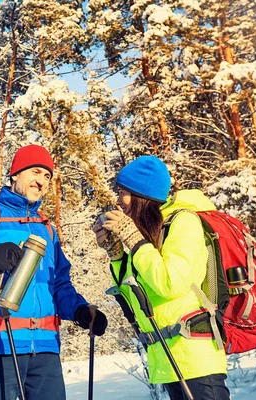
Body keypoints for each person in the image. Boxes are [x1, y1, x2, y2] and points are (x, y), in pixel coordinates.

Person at [0, 144, 108, 400]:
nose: (41, 181)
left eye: (47, 176)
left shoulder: (47, 229)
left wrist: (79, 310)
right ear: (15, 174)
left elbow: (59, 284)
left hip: (44, 348)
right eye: (35, 172)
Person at [92, 155, 229, 400]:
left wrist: (133, 239)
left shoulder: (184, 223)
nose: (118, 200)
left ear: (141, 195)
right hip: (168, 359)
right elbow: (136, 296)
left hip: (194, 357)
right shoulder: (151, 233)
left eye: (122, 192)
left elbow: (170, 283)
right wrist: (116, 254)